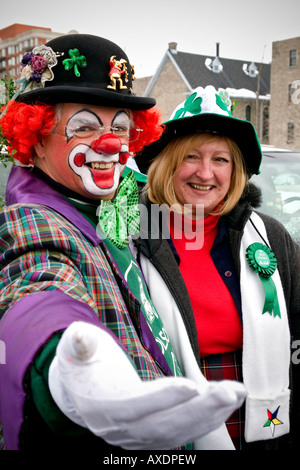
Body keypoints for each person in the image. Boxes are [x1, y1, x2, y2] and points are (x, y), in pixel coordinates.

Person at [0, 37, 245, 451]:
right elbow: (38, 287)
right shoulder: (32, 219)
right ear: (37, 137)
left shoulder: (105, 208)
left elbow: (177, 217)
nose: (111, 143)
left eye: (119, 128)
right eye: (84, 126)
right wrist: (71, 374)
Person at [133, 85, 300, 450]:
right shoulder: (131, 238)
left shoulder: (270, 235)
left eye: (221, 160)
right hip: (169, 424)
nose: (205, 173)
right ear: (167, 164)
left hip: (262, 421)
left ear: (235, 170)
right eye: (191, 156)